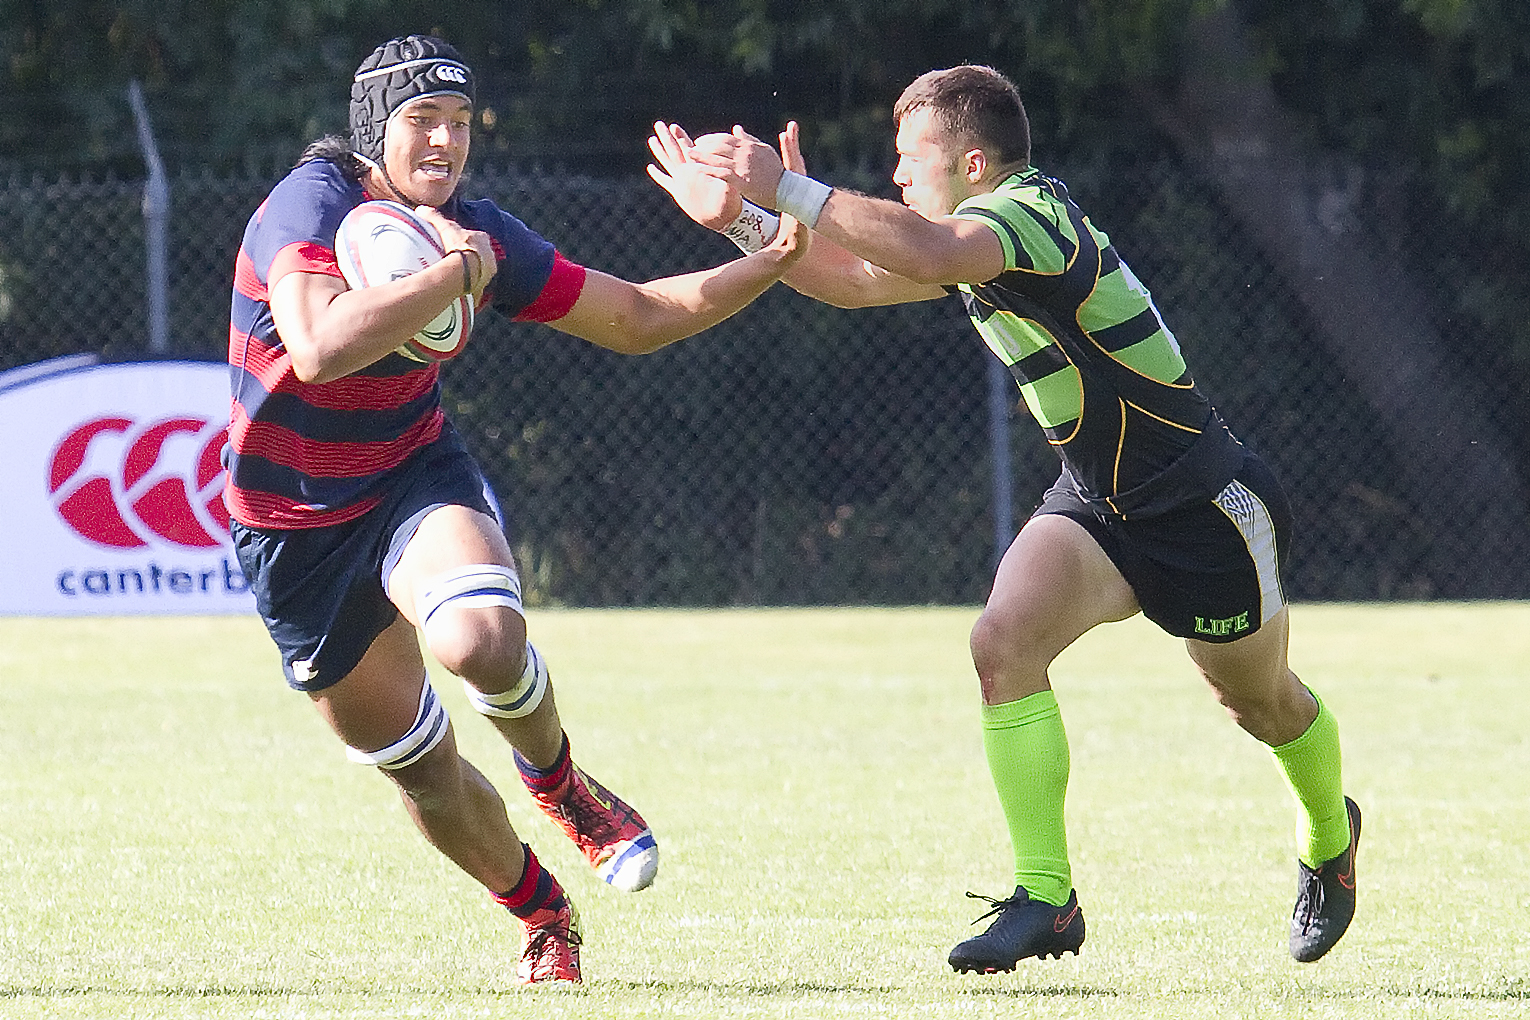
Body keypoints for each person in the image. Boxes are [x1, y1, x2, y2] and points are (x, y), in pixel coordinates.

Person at [647, 64, 1359, 971]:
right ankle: (1046, 898)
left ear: (975, 162)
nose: (897, 176)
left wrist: (784, 185)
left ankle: (1330, 839)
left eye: (912, 159)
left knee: (1257, 703)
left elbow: (928, 253)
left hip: (1201, 504)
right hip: (1101, 505)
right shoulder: (971, 237)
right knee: (1002, 644)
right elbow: (861, 280)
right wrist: (744, 222)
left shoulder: (1027, 214)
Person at [225, 35, 804, 986]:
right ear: (375, 125)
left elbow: (637, 318)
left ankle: (561, 782)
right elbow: (321, 345)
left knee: (483, 639)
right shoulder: (313, 203)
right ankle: (542, 912)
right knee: (419, 769)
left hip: (411, 475)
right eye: (422, 121)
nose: (447, 143)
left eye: (460, 123)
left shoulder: (474, 227)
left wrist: (769, 258)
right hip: (292, 530)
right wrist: (454, 275)